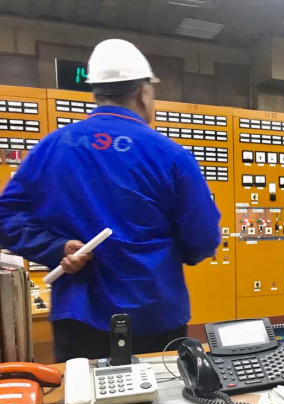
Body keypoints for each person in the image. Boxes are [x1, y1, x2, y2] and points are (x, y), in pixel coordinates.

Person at [0, 39, 220, 362]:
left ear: (96, 93)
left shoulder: (52, 147)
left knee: (83, 393)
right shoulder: (171, 156)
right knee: (163, 393)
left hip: (79, 318)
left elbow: (6, 216)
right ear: (143, 92)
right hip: (154, 315)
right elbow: (203, 239)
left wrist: (57, 248)